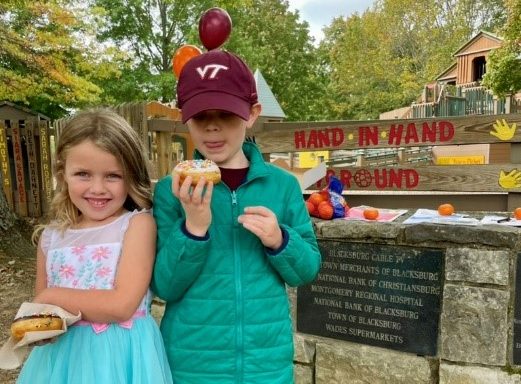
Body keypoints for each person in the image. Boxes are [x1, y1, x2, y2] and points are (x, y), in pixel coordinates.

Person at [152, 49, 322, 384]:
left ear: (252, 113)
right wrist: (193, 229)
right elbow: (165, 287)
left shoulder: (283, 186)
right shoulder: (172, 190)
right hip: (192, 363)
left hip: (266, 361)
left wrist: (280, 240)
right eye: (201, 116)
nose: (212, 126)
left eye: (226, 114)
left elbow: (307, 271)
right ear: (185, 117)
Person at [16, 109, 173, 384]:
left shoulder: (136, 226)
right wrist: (40, 328)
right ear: (62, 173)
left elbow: (122, 305)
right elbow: (46, 314)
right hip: (60, 363)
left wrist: (51, 297)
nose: (98, 188)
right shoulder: (51, 237)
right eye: (83, 174)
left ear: (131, 175)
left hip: (122, 360)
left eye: (113, 175)